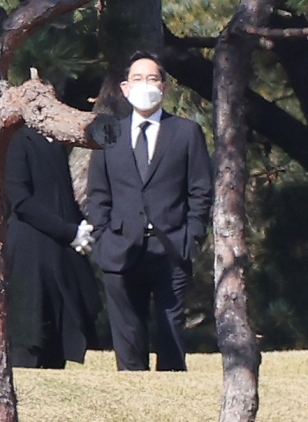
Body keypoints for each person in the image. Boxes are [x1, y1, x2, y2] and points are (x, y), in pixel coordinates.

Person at [86, 51, 213, 371]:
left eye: (152, 78)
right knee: (127, 331)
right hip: (120, 246)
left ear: (165, 87)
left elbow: (201, 190)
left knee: (170, 330)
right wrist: (102, 237)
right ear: (125, 88)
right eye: (138, 79)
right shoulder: (109, 133)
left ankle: (171, 393)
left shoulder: (186, 133)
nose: (146, 85)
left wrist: (192, 235)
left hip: (171, 246)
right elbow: (98, 193)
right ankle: (132, 391)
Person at [5, 125, 102, 369]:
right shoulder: (18, 139)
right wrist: (68, 231)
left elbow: (62, 196)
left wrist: (78, 229)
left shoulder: (55, 141)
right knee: (30, 328)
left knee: (59, 326)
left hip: (58, 247)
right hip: (30, 249)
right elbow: (20, 200)